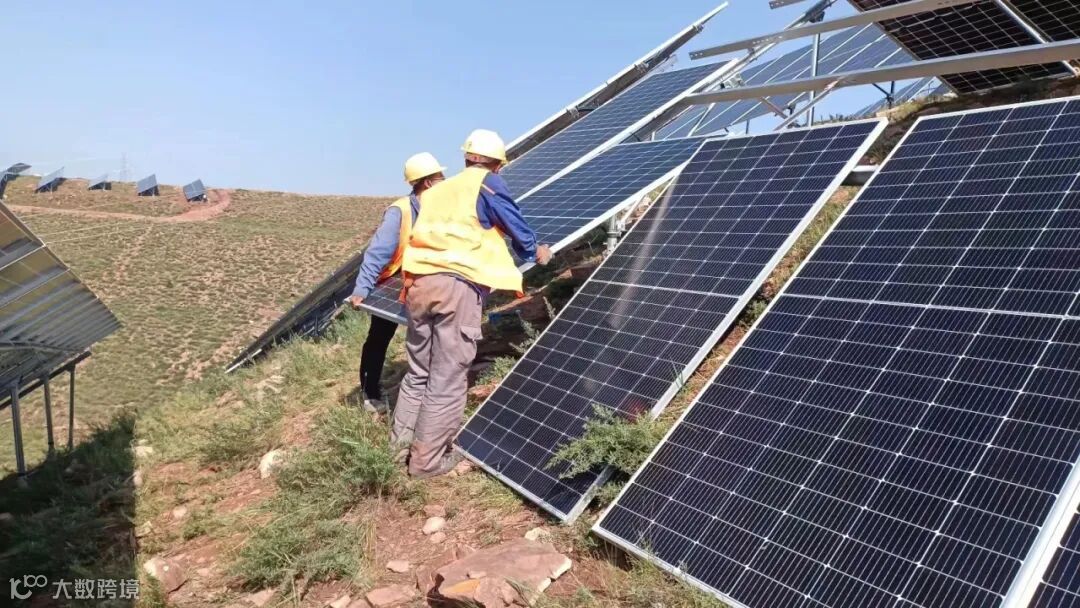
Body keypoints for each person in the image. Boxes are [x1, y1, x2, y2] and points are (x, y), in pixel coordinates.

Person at [393, 129, 553, 478]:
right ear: (497, 164)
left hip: (418, 283)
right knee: (448, 377)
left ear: (466, 158)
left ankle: (398, 450)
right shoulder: (487, 182)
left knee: (419, 372)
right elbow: (511, 220)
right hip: (456, 286)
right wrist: (534, 250)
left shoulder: (438, 190)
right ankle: (427, 463)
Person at [347, 152, 446, 413]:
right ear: (428, 182)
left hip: (428, 279)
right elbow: (378, 252)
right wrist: (362, 287)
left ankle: (430, 386)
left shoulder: (441, 207)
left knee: (435, 332)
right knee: (380, 335)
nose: (445, 181)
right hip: (395, 281)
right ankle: (369, 392)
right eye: (440, 177)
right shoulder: (399, 211)